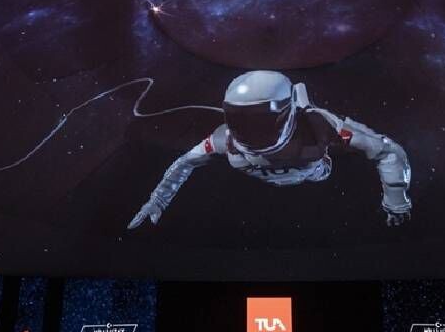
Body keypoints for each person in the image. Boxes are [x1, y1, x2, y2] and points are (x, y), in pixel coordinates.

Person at [128, 70, 412, 228]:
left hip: (313, 171)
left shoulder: (320, 125)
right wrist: (159, 200)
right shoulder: (226, 139)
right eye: (241, 120)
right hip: (306, 172)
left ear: (287, 114)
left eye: (260, 121)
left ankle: (303, 104)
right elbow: (185, 162)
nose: (250, 131)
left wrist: (396, 202)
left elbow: (387, 151)